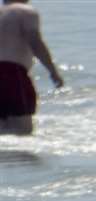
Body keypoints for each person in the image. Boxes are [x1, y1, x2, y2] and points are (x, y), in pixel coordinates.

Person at [0, 0, 62, 137]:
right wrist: (53, 71)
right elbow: (35, 41)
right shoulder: (25, 11)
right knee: (22, 131)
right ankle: (20, 159)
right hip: (12, 71)